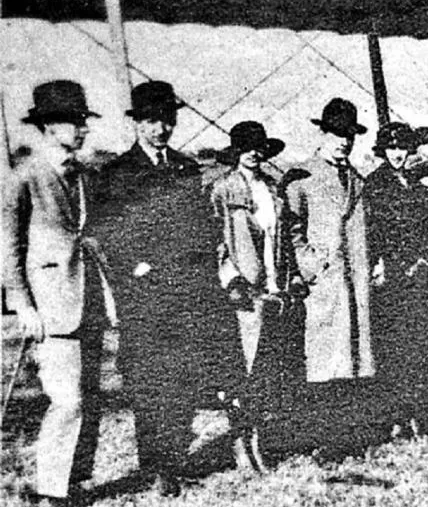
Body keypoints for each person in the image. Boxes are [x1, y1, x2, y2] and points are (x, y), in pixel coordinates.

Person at [97, 80, 240, 496]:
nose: (161, 129)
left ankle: (176, 459)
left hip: (189, 290)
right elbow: (108, 233)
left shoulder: (185, 167)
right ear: (138, 123)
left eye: (167, 120)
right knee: (151, 380)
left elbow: (200, 226)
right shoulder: (117, 173)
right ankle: (157, 466)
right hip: (146, 297)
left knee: (184, 377)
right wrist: (135, 268)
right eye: (152, 121)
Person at [2, 81, 114, 506]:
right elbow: (8, 249)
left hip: (87, 302)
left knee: (90, 400)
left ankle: (75, 482)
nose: (82, 129)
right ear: (49, 126)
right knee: (66, 402)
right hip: (50, 308)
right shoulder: (24, 178)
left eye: (84, 121)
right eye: (74, 121)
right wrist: (24, 305)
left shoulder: (84, 175)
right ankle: (51, 491)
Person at [211, 121, 297, 470]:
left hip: (273, 288)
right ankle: (244, 443)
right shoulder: (224, 190)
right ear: (236, 151)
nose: (254, 153)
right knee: (245, 371)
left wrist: (291, 278)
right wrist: (230, 278)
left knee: (269, 369)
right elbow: (215, 240)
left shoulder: (272, 190)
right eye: (246, 146)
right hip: (243, 293)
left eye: (259, 146)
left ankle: (264, 438)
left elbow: (284, 237)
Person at [363, 122, 428, 436]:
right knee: (395, 347)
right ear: (382, 151)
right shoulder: (375, 185)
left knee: (420, 345)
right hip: (393, 277)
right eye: (391, 149)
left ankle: (420, 412)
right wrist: (398, 263)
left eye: (402, 148)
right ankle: (398, 417)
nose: (398, 154)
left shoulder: (416, 184)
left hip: (422, 275)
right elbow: (375, 232)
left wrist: (424, 259)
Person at [282, 98, 374, 384]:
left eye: (349, 135)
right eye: (338, 134)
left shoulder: (358, 180)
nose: (344, 142)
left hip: (355, 280)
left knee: (356, 358)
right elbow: (291, 232)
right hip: (323, 282)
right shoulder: (303, 177)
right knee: (324, 357)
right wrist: (313, 266)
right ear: (322, 134)